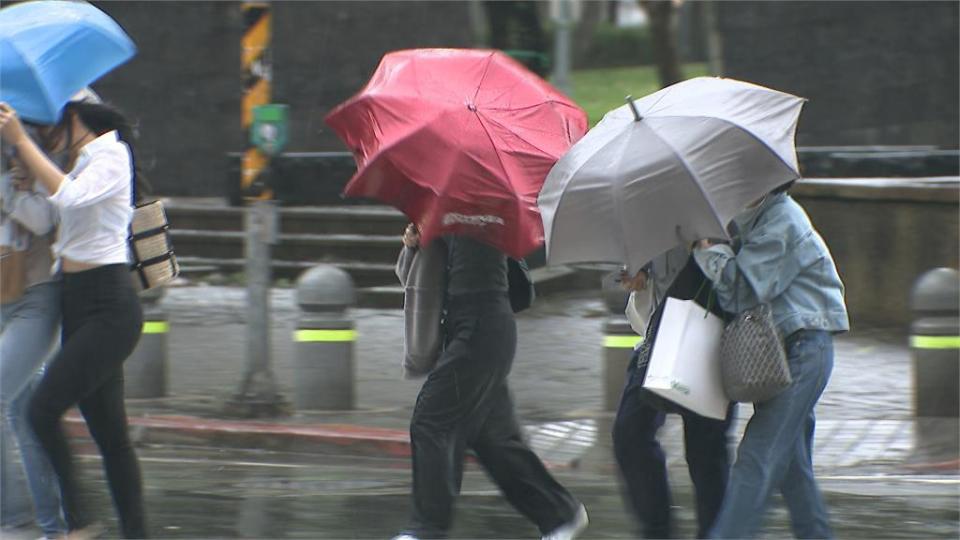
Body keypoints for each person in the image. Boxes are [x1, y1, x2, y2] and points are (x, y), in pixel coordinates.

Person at [0, 94, 148, 538]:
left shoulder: (111, 154)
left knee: (42, 410)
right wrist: (21, 181)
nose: (44, 137)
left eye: (47, 128)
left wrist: (21, 142)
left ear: (73, 117)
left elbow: (70, 197)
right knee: (112, 438)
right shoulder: (78, 160)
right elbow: (47, 213)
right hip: (78, 304)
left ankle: (75, 525)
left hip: (111, 306)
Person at [393, 224, 588, 540]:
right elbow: (413, 276)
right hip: (461, 326)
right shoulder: (447, 206)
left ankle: (426, 529)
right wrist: (416, 242)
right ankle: (559, 514)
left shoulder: (480, 205)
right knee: (494, 439)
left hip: (482, 327)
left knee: (431, 420)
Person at [693, 183, 849, 538]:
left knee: (756, 457)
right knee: (793, 470)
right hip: (785, 351)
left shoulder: (782, 220)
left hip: (802, 350)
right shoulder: (756, 219)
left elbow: (739, 290)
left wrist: (708, 251)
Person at [612, 246, 736, 538]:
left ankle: (715, 533)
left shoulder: (719, 216)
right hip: (658, 341)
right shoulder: (649, 215)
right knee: (629, 433)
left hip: (710, 337)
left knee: (707, 451)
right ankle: (657, 530)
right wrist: (640, 277)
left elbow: (740, 279)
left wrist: (707, 252)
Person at [0, 154, 67, 539]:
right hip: (2, 295)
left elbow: (44, 219)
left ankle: (14, 515)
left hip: (36, 297)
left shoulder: (34, 158)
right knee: (22, 412)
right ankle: (44, 522)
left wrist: (9, 188)